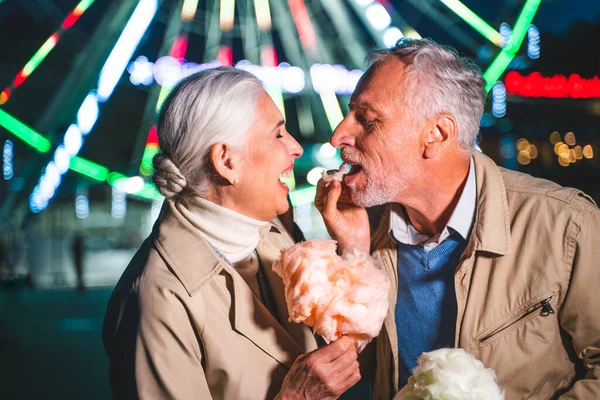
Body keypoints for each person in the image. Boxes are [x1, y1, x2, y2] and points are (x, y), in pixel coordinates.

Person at [316, 38, 600, 399]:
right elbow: (357, 367)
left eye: (368, 120)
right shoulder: (365, 227)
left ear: (437, 135)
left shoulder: (565, 226)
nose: (338, 134)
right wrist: (354, 254)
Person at [102, 68, 361, 399]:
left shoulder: (276, 234)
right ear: (226, 162)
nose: (296, 148)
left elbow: (349, 361)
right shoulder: (157, 299)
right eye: (278, 135)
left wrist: (354, 248)